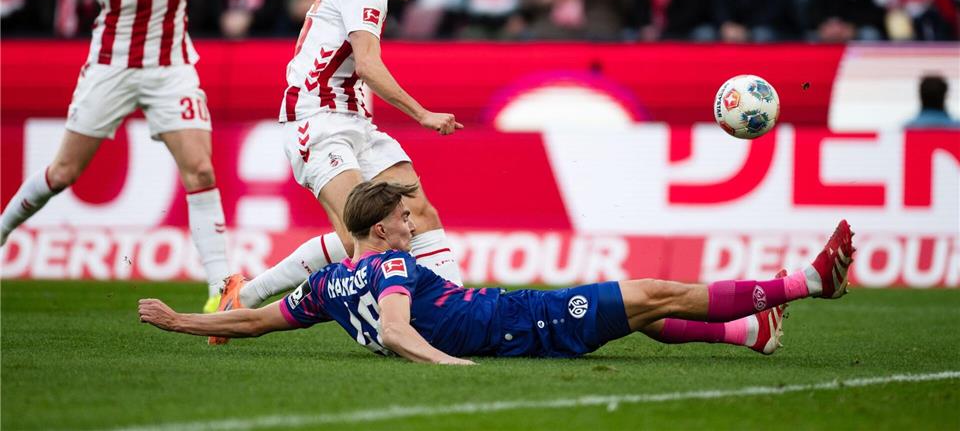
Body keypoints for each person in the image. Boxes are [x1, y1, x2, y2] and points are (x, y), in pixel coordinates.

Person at [140, 180, 857, 364]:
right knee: (650, 291)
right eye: (405, 214)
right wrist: (441, 359)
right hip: (513, 326)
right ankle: (806, 281)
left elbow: (255, 318)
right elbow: (395, 329)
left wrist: (185, 321)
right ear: (380, 225)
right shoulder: (391, 262)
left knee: (634, 312)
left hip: (507, 313)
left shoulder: (328, 285)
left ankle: (749, 332)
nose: (415, 220)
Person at [0, 0, 231, 312]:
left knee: (202, 168)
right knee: (63, 172)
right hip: (113, 64)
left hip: (172, 65)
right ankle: (2, 230)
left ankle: (220, 289)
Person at [208, 0, 465, 344]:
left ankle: (453, 307)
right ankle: (246, 299)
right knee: (359, 241)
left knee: (419, 214)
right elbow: (367, 64)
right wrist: (421, 113)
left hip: (357, 123)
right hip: (317, 122)